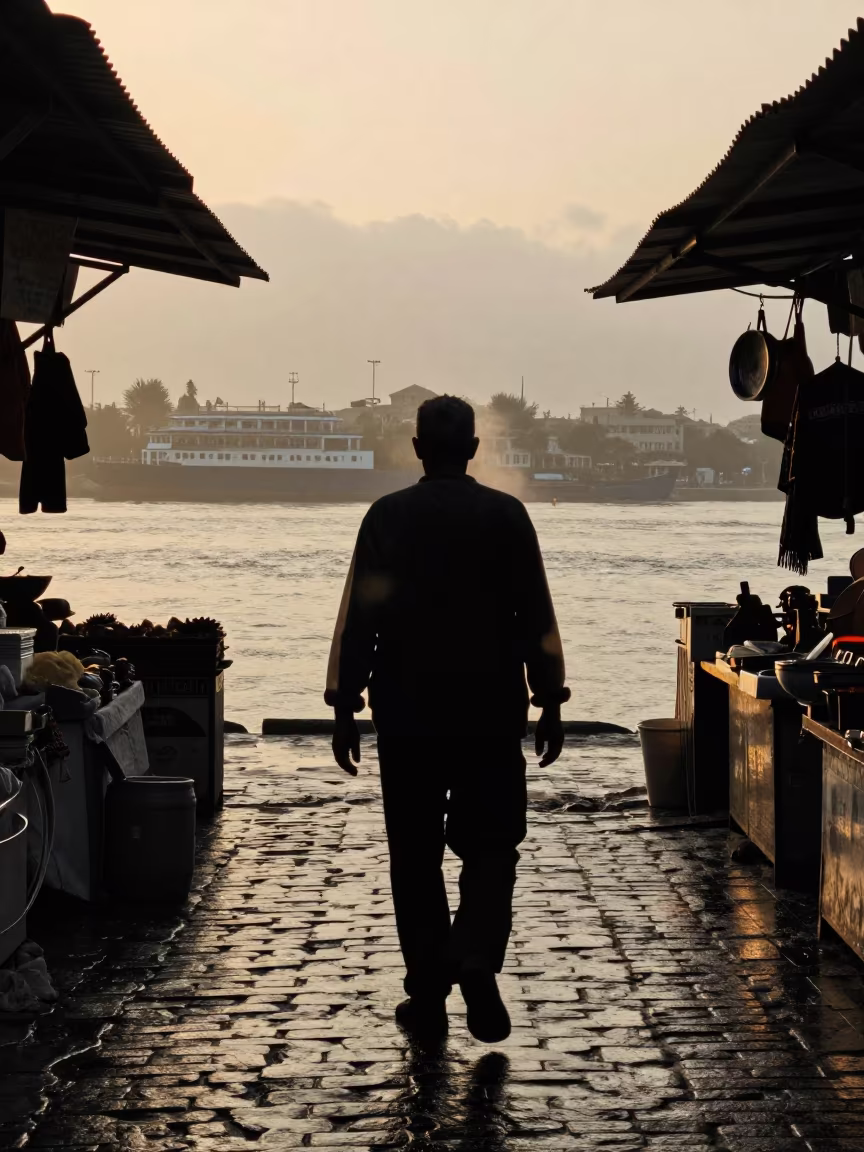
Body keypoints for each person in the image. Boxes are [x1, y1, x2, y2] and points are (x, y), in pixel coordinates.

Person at [325, 395, 568, 1043]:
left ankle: (429, 992)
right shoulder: (506, 516)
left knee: (415, 855)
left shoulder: (387, 517)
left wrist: (346, 705)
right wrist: (549, 698)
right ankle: (478, 957)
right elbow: (536, 615)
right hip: (490, 710)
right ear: (474, 448)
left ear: (416, 447)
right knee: (493, 846)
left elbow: (361, 622)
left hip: (407, 713)